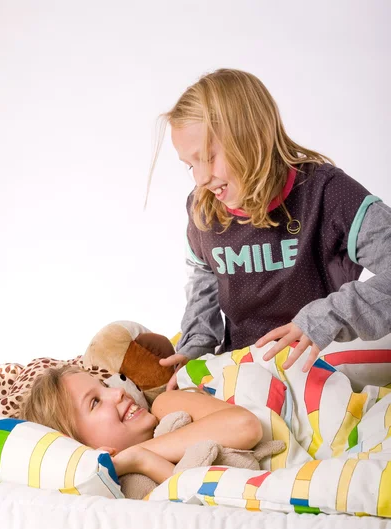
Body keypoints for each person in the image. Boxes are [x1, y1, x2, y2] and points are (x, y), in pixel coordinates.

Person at [152, 68, 391, 388]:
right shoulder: (202, 211)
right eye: (190, 165)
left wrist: (327, 317)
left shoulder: (328, 194)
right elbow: (204, 281)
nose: (201, 178)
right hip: (246, 370)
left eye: (207, 157)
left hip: (320, 365)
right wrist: (195, 346)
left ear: (250, 136)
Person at [20, 365, 262, 483]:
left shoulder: (166, 406)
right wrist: (141, 461)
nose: (117, 393)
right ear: (74, 444)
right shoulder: (122, 490)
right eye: (94, 402)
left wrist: (136, 454)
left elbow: (245, 425)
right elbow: (198, 501)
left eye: (104, 387)